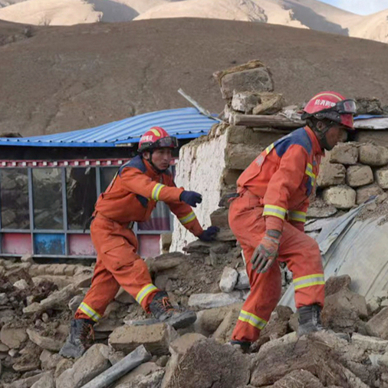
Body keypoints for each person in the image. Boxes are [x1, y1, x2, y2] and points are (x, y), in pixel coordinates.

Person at [60, 126, 219, 358]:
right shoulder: (132, 172)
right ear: (146, 154)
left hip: (122, 230)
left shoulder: (163, 176)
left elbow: (180, 208)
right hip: (106, 227)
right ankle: (161, 309)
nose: (167, 158)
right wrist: (180, 193)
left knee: (106, 283)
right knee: (131, 267)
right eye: (161, 153)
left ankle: (77, 334)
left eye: (169, 153)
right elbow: (152, 190)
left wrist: (199, 232)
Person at [227, 91, 356, 351]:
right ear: (321, 124)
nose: (341, 137)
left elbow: (297, 203)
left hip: (252, 213)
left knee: (269, 287)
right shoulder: (301, 146)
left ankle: (239, 343)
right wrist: (274, 237)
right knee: (307, 249)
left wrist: (289, 239)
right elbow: (277, 191)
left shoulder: (312, 152)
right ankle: (309, 327)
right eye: (339, 129)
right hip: (254, 212)